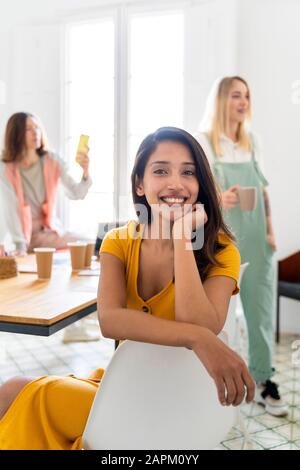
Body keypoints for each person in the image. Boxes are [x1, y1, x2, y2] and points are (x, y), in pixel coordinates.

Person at [0, 126, 255, 450]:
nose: (176, 182)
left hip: (174, 404)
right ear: (139, 183)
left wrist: (181, 239)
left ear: (200, 183)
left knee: (11, 393)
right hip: (128, 386)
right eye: (161, 170)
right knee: (14, 392)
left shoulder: (221, 250)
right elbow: (111, 321)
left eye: (188, 172)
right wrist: (197, 338)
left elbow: (202, 322)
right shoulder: (118, 242)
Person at [195, 76, 288, 417]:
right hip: (221, 241)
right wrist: (221, 197)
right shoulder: (204, 142)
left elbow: (262, 192)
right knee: (212, 317)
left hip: (257, 238)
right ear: (221, 100)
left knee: (261, 313)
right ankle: (205, 382)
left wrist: (270, 232)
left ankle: (264, 381)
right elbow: (198, 193)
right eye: (236, 95)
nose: (244, 101)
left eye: (247, 95)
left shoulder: (253, 142)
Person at [0, 112, 99, 343]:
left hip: (49, 234)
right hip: (21, 237)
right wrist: (20, 247)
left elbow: (76, 193)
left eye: (37, 127)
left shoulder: (52, 161)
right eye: (28, 129)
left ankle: (82, 321)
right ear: (15, 134)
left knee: (90, 245)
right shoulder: (5, 168)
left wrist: (85, 171)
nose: (35, 133)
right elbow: (11, 209)